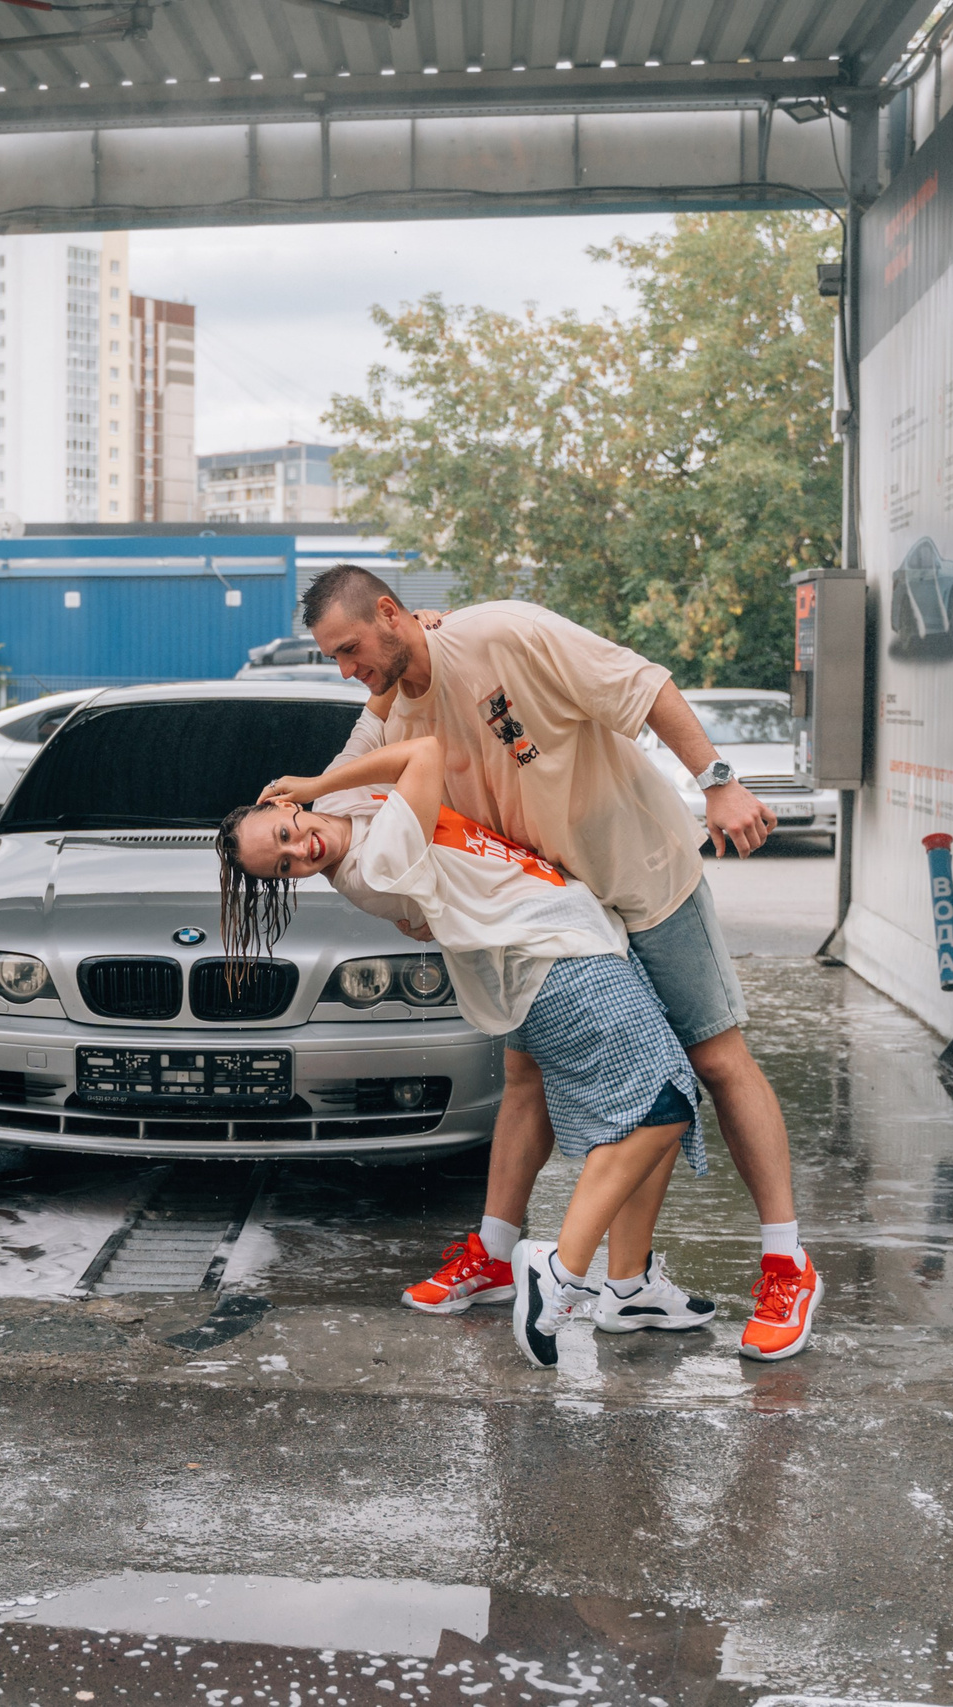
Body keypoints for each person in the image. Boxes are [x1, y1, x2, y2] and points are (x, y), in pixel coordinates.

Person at [302, 565, 822, 1361]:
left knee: (715, 1059)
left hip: (640, 875)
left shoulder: (503, 633)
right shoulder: (394, 718)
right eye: (333, 659)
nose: (346, 669)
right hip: (552, 913)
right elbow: (339, 805)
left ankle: (787, 1264)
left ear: (388, 613)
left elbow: (641, 684)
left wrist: (718, 783)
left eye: (349, 648)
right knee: (532, 1078)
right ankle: (527, 1260)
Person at [220, 734, 715, 1364]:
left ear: (281, 806)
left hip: (562, 939)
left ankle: (630, 1285)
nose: (299, 852)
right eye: (284, 868)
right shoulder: (372, 862)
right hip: (554, 958)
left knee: (655, 1103)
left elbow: (385, 717)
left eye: (285, 837)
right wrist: (313, 788)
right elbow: (426, 751)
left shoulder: (345, 806)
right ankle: (559, 1271)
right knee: (660, 1110)